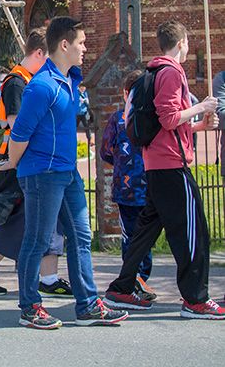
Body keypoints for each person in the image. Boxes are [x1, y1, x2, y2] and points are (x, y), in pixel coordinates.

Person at [6, 16, 127, 329]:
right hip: (42, 174)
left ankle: (87, 306)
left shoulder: (72, 80)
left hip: (67, 172)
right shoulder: (41, 86)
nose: (85, 48)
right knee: (37, 239)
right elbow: (20, 134)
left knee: (81, 236)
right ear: (64, 45)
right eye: (81, 43)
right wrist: (14, 163)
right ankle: (30, 307)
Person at [105, 20, 225, 319]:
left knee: (144, 233)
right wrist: (202, 107)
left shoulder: (153, 72)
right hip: (171, 165)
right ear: (182, 42)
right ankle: (196, 299)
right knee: (193, 232)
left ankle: (122, 288)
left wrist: (197, 125)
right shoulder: (171, 72)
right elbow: (170, 118)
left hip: (156, 162)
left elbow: (163, 125)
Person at [0, 29, 71, 298]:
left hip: (32, 161)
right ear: (38, 54)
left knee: (48, 218)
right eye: (49, 57)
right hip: (21, 161)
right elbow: (17, 126)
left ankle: (46, 276)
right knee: (20, 219)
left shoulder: (30, 80)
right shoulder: (17, 83)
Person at [99, 70, 155, 300]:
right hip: (148, 187)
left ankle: (134, 277)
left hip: (126, 190)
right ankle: (140, 277)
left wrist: (122, 166)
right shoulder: (151, 118)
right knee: (146, 236)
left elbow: (105, 151)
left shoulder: (118, 119)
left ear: (125, 94)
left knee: (129, 236)